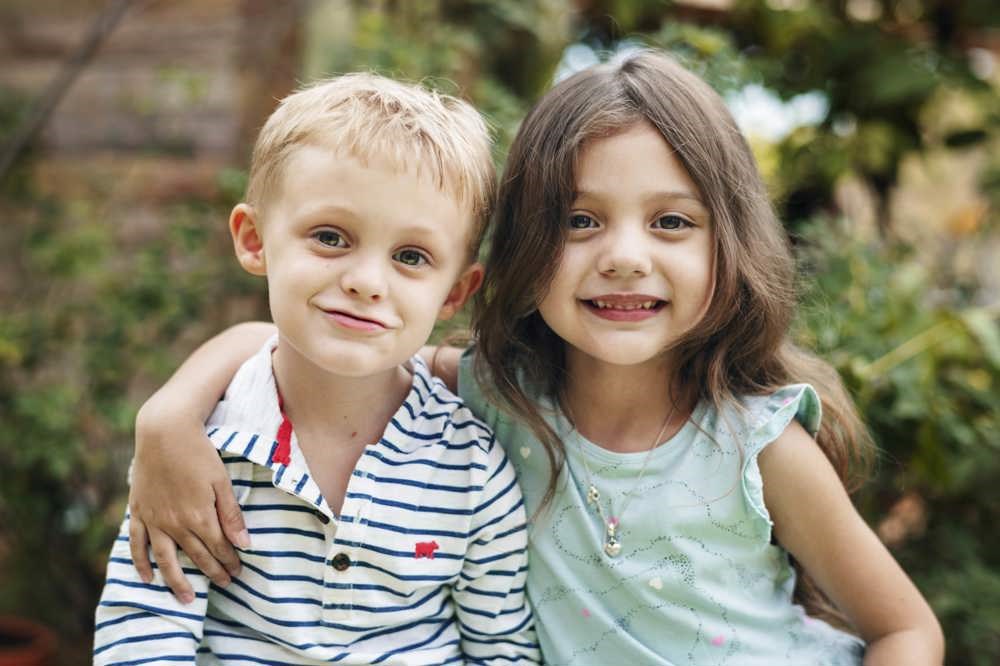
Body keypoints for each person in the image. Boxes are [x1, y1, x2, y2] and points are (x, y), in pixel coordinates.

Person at [123, 51, 944, 665]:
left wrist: (166, 414)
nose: (624, 256)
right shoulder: (495, 398)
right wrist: (167, 418)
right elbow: (314, 346)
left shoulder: (757, 446)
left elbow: (906, 629)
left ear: (730, 245)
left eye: (671, 222)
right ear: (523, 247)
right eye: (581, 221)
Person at [93, 73, 540, 666]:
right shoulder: (200, 444)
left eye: (411, 257)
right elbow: (146, 628)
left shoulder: (471, 470)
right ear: (255, 240)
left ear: (455, 292)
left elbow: (502, 651)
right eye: (330, 237)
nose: (365, 281)